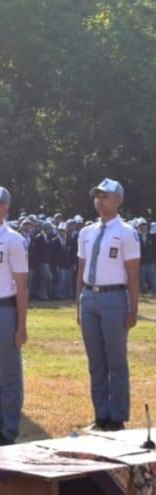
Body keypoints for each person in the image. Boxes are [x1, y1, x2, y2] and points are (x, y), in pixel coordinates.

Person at [77, 179, 140, 432]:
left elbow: (133, 273)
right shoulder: (86, 232)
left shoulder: (127, 232)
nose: (100, 201)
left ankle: (117, 416)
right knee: (96, 361)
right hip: (89, 297)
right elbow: (80, 269)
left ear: (118, 200)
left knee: (115, 359)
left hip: (114, 297)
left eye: (105, 196)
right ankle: (101, 414)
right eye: (97, 196)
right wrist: (78, 302)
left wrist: (133, 308)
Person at [0, 185, 29, 446]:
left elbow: (21, 285)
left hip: (4, 309)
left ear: (5, 207)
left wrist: (22, 324)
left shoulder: (14, 240)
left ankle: (7, 431)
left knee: (8, 375)